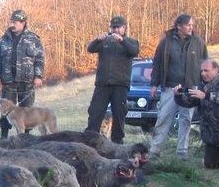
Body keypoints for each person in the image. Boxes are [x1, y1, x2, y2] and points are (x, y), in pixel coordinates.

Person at [174, 59, 219, 175]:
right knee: (210, 164)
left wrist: (206, 96)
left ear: (216, 70)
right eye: (201, 71)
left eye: (206, 70)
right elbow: (189, 103)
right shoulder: (200, 86)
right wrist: (178, 96)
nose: (203, 74)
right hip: (215, 132)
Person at [149, 14, 208, 159]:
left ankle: (182, 152)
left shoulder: (199, 43)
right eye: (188, 25)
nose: (191, 27)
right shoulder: (166, 42)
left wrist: (204, 86)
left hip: (190, 88)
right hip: (170, 87)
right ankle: (154, 150)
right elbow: (157, 64)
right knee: (163, 118)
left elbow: (205, 65)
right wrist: (154, 84)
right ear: (179, 26)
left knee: (186, 120)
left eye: (192, 25)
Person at [84, 15, 140, 144]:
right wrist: (98, 40)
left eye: (117, 27)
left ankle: (117, 141)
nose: (115, 30)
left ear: (124, 28)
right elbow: (90, 49)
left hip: (120, 84)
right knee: (95, 112)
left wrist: (122, 41)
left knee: (119, 113)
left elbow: (134, 51)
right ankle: (90, 139)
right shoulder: (105, 41)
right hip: (103, 84)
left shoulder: (131, 41)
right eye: (113, 27)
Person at [0, 10, 46, 140]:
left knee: (28, 111)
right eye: (11, 21)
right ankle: (3, 138)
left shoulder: (33, 39)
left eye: (14, 22)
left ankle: (25, 139)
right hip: (8, 81)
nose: (12, 24)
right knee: (4, 110)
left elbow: (40, 59)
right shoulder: (3, 40)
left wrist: (38, 76)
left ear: (23, 22)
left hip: (27, 81)